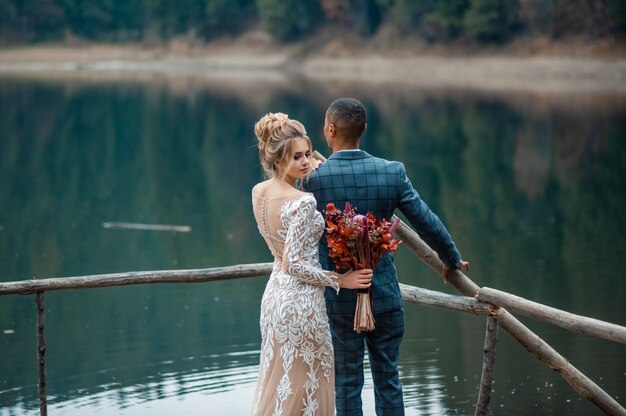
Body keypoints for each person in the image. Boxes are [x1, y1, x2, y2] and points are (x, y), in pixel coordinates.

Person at [303, 98, 469, 415]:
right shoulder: (391, 172)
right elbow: (426, 221)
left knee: (347, 383)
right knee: (388, 380)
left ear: (330, 129)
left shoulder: (314, 180)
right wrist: (451, 259)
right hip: (385, 295)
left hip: (340, 299)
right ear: (364, 129)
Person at [250, 112, 374, 416]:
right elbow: (294, 264)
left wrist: (305, 175)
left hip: (274, 300)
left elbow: (283, 253)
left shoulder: (260, 192)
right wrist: (340, 280)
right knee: (310, 387)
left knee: (281, 382)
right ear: (279, 160)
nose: (306, 162)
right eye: (297, 157)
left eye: (307, 154)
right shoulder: (303, 202)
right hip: (302, 303)